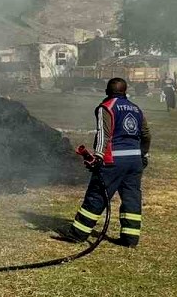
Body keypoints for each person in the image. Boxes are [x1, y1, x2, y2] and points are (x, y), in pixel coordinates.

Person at [64, 77, 151, 247]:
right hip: (134, 160)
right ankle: (130, 238)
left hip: (114, 160)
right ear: (125, 91)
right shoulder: (136, 109)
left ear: (107, 91)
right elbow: (146, 134)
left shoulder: (106, 107)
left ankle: (78, 233)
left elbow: (104, 133)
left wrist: (98, 156)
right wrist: (143, 155)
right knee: (132, 197)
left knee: (97, 194)